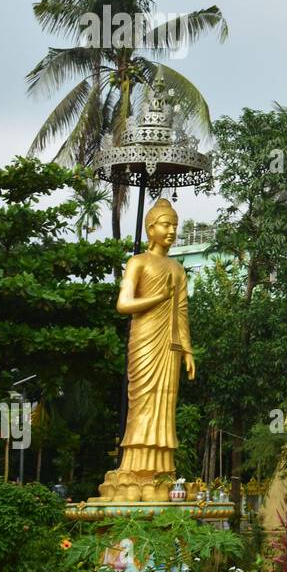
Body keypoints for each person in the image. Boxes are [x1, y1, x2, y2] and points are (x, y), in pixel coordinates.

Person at [94, 198, 196, 502]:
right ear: (150, 228)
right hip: (145, 340)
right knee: (142, 401)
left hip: (170, 344)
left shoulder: (177, 268)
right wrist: (157, 298)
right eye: (166, 224)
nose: (172, 231)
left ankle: (162, 469)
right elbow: (123, 304)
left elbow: (181, 312)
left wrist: (188, 351)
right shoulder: (137, 262)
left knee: (164, 405)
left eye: (175, 226)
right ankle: (134, 468)